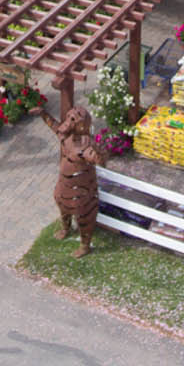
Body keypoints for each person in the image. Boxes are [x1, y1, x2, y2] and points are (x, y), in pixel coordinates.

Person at [44, 104, 107, 258]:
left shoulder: (85, 145)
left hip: (81, 192)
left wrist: (99, 152)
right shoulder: (66, 137)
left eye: (73, 120)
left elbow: (98, 160)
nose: (67, 123)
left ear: (81, 125)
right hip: (64, 185)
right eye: (68, 118)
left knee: (84, 216)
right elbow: (55, 127)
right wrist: (42, 113)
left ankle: (85, 246)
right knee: (62, 204)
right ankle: (66, 228)